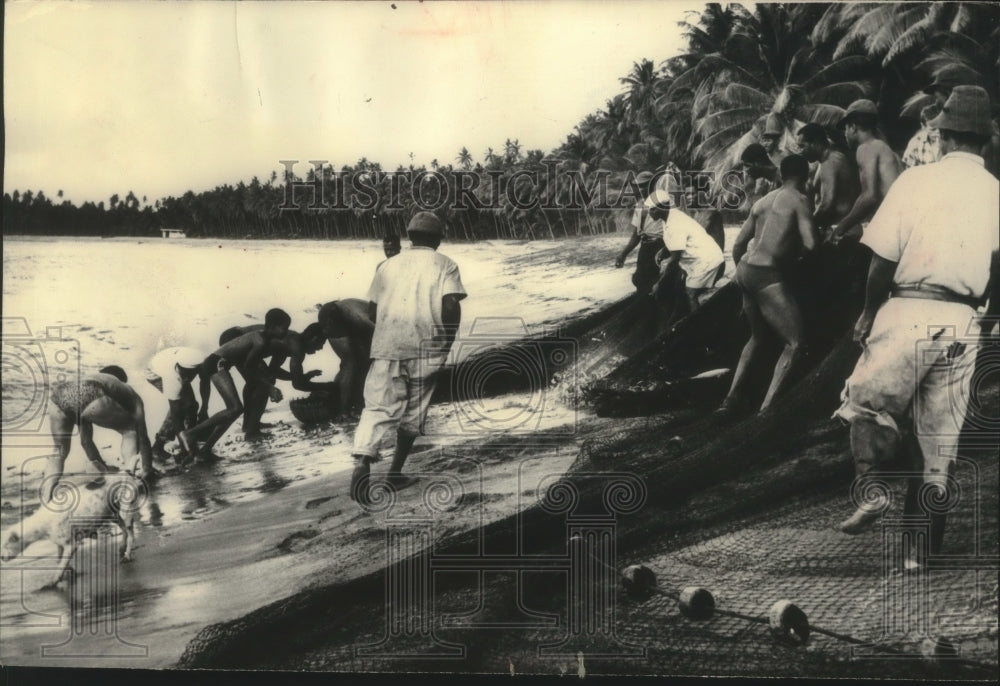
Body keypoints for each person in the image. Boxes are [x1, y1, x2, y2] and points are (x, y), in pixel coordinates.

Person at [833, 87, 999, 564]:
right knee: (939, 449)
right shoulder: (996, 192)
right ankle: (918, 558)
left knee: (863, 404)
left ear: (943, 137)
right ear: (984, 143)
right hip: (964, 321)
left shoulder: (916, 181)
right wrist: (988, 323)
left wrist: (868, 312)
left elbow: (882, 259)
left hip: (909, 310)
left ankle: (871, 492)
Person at [349, 211, 466, 506]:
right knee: (414, 412)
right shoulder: (446, 264)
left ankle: (362, 461)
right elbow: (450, 305)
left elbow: (373, 312)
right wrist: (448, 340)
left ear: (410, 237)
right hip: (427, 346)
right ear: (438, 238)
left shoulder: (387, 265)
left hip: (388, 347)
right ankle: (395, 472)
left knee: (376, 408)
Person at [719, 154, 819, 416]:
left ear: (782, 174)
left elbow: (739, 244)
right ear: (805, 175)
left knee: (757, 336)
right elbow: (811, 244)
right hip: (767, 274)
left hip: (745, 270)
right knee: (795, 343)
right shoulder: (799, 201)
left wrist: (742, 277)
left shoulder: (762, 201)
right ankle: (766, 411)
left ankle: (731, 398)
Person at [179, 308, 290, 461]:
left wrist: (268, 386)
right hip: (215, 364)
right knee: (235, 408)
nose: (286, 332)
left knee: (234, 410)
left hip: (218, 364)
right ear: (271, 326)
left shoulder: (262, 339)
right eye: (284, 328)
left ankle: (204, 451)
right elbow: (250, 369)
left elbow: (251, 371)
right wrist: (269, 387)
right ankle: (191, 433)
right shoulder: (260, 341)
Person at [44, 366, 156, 504]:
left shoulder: (93, 377)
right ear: (121, 381)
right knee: (130, 430)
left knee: (59, 451)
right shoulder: (128, 391)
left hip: (59, 393)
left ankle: (45, 498)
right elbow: (143, 437)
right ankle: (128, 483)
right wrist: (147, 469)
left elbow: (85, 441)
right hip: (92, 391)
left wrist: (103, 469)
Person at [218, 322, 328, 434]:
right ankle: (252, 430)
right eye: (321, 343)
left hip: (233, 335)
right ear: (313, 338)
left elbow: (274, 371)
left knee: (261, 380)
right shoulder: (297, 346)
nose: (320, 348)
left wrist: (303, 377)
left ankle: (249, 424)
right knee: (262, 381)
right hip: (234, 337)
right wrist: (328, 386)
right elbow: (298, 384)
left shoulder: (288, 342)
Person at [829, 99, 903, 243]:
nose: (845, 134)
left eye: (845, 128)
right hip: (902, 221)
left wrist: (841, 227)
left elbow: (870, 196)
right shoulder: (887, 149)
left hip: (893, 224)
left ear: (853, 127)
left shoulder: (865, 148)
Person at [650, 198, 725, 312]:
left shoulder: (675, 222)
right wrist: (664, 251)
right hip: (697, 261)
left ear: (663, 208)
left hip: (707, 260)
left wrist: (659, 283)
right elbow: (676, 241)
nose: (650, 213)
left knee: (691, 293)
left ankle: (695, 324)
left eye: (653, 209)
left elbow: (675, 259)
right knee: (682, 290)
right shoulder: (668, 217)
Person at [145, 346, 210, 462]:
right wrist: (187, 451)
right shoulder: (172, 377)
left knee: (193, 405)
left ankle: (191, 437)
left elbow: (204, 383)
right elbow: (176, 416)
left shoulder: (202, 362)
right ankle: (158, 446)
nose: (185, 378)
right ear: (178, 367)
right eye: (183, 374)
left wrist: (205, 408)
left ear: (196, 370)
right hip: (154, 372)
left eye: (189, 375)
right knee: (181, 408)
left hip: (168, 358)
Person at [796, 123, 861, 237]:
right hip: (845, 227)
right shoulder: (833, 157)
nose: (799, 151)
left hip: (841, 229)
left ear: (815, 144)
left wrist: (807, 228)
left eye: (802, 146)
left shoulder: (828, 164)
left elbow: (826, 205)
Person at [317, 298, 376, 416]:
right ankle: (343, 410)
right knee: (350, 364)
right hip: (334, 313)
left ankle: (354, 403)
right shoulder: (373, 321)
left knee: (361, 363)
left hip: (349, 319)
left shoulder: (374, 319)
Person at [615, 171, 665, 294]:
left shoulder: (662, 200)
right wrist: (623, 254)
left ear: (652, 184)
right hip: (646, 246)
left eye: (645, 185)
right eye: (639, 186)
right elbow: (636, 234)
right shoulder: (640, 205)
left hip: (661, 245)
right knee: (639, 279)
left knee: (660, 281)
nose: (641, 189)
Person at [902, 104, 942, 169]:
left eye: (941, 128)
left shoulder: (950, 140)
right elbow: (909, 171)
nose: (938, 132)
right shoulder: (915, 143)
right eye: (933, 129)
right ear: (923, 126)